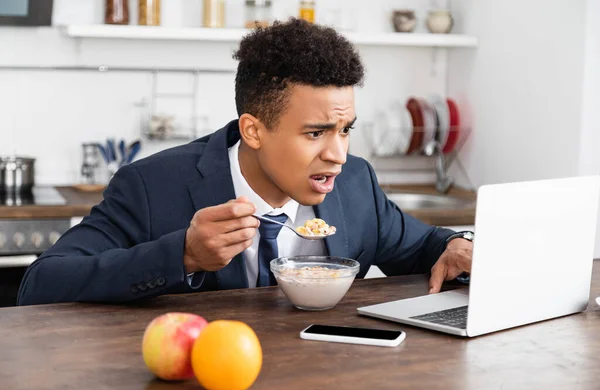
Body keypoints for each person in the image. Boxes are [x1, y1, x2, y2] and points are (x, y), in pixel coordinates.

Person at [17, 19, 473, 306]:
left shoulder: (355, 182)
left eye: (346, 129)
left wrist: (453, 247)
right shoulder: (152, 185)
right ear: (254, 130)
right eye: (315, 133)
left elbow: (420, 247)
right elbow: (41, 284)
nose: (338, 154)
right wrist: (185, 255)